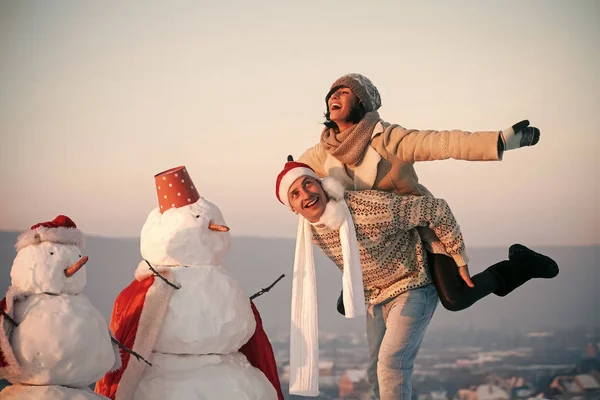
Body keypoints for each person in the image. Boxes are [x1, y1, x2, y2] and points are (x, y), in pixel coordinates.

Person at [275, 157, 558, 400]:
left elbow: (435, 209)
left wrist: (458, 256)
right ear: (293, 209)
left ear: (321, 183)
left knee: (392, 362)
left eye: (308, 184)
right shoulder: (310, 233)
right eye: (295, 194)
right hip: (375, 294)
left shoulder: (367, 210)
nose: (305, 194)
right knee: (375, 369)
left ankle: (519, 266)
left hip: (412, 282)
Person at [298, 72, 543, 310]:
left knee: (455, 299)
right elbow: (293, 178)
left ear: (361, 101)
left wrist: (498, 141)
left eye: (343, 92)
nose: (334, 97)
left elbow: (442, 143)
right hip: (375, 242)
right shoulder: (324, 151)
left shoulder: (387, 139)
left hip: (416, 224)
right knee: (347, 305)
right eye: (331, 94)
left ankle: (521, 265)